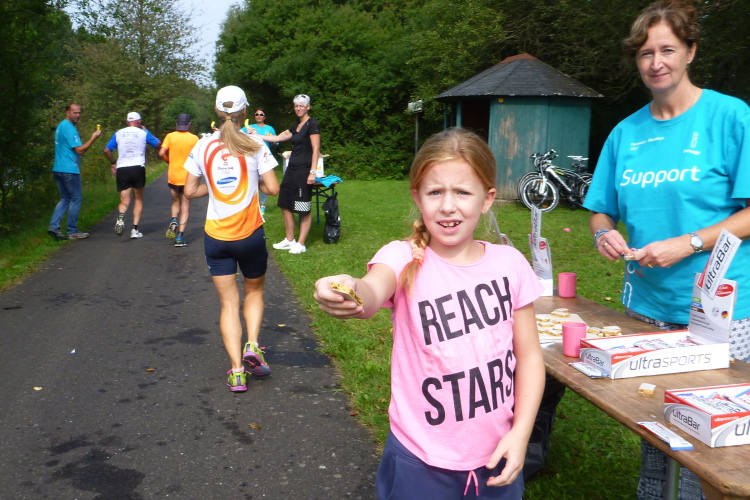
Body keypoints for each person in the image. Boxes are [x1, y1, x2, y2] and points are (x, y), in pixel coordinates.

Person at [314, 128, 545, 500]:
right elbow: (371, 290)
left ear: (486, 199)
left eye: (462, 192)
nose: (448, 206)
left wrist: (521, 433)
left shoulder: (510, 264)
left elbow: (530, 357)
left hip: (499, 456)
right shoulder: (403, 256)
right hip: (419, 464)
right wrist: (349, 289)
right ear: (417, 197)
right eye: (435, 192)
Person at [583, 1, 750, 499]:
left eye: (668, 50)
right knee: (658, 426)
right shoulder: (626, 132)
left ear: (691, 51)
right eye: (645, 53)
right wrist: (602, 235)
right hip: (648, 310)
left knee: (719, 445)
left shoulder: (731, 117)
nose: (656, 62)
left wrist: (689, 243)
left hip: (723, 312)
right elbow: (600, 211)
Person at [183, 86, 280, 392]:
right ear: (244, 111)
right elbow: (272, 188)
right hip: (250, 234)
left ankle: (237, 371)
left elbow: (189, 191)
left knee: (228, 304)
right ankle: (252, 344)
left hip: (216, 237)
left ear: (216, 110)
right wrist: (251, 183)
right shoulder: (255, 143)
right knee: (254, 292)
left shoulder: (202, 146)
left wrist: (214, 187)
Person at [252, 94, 319, 255]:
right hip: (291, 169)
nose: (298, 108)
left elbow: (316, 149)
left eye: (301, 105)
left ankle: (301, 243)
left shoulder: (312, 124)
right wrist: (256, 135)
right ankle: (290, 239)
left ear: (308, 107)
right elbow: (278, 137)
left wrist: (312, 172)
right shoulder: (296, 125)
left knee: (303, 207)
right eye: (296, 105)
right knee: (284, 203)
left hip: (304, 170)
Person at [47, 103, 102, 240]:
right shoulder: (69, 128)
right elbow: (80, 150)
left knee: (65, 199)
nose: (78, 115)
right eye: (75, 112)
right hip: (69, 169)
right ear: (67, 112)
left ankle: (54, 226)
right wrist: (93, 138)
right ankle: (72, 231)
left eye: (79, 113)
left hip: (58, 168)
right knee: (75, 199)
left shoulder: (61, 126)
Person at [104, 112, 161, 239]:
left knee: (124, 200)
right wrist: (147, 131)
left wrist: (113, 162)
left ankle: (121, 216)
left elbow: (107, 150)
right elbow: (158, 144)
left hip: (122, 168)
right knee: (138, 199)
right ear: (139, 121)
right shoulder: (143, 133)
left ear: (127, 122)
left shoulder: (118, 133)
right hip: (137, 167)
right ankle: (135, 230)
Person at [159, 113, 199, 247]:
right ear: (189, 125)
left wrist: (168, 161)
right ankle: (180, 237)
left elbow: (161, 153)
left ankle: (174, 219)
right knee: (185, 206)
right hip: (188, 177)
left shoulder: (170, 136)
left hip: (174, 176)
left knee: (176, 202)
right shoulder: (194, 139)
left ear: (177, 124)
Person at [241, 108, 277, 216]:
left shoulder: (269, 128)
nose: (259, 116)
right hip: (251, 159)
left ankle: (263, 206)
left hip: (264, 160)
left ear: (264, 117)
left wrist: (271, 138)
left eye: (261, 114)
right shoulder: (248, 127)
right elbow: (237, 136)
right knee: (250, 182)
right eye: (257, 114)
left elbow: (276, 143)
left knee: (264, 183)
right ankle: (250, 205)